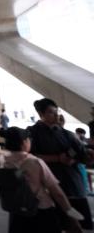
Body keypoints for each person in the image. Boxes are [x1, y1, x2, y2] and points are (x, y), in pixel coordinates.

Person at [28, 98, 93, 232]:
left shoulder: (65, 133)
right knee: (59, 224)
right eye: (51, 112)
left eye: (57, 112)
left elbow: (80, 155)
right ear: (41, 114)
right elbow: (30, 157)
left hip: (73, 184)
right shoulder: (33, 132)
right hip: (52, 186)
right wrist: (57, 158)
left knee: (79, 224)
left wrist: (86, 156)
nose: (57, 115)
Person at [2, 127, 84, 233]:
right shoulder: (34, 162)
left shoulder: (1, 161)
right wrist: (71, 214)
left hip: (16, 212)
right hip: (40, 211)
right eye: (29, 140)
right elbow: (57, 192)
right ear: (24, 142)